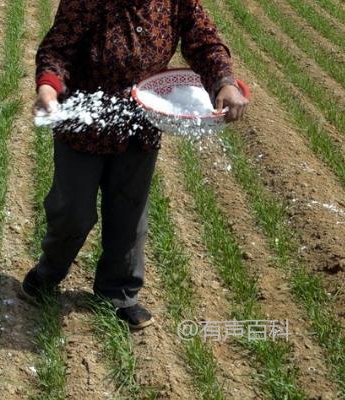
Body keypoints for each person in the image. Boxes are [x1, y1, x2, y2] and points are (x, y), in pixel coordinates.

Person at [20, 0, 249, 329]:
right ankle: (48, 272)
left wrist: (224, 83)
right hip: (84, 125)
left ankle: (118, 293)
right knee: (72, 211)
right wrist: (48, 89)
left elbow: (204, 40)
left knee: (129, 212)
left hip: (141, 122)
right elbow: (58, 47)